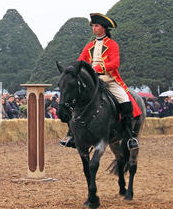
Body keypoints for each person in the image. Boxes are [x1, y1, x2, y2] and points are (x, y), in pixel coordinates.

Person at [60, 13, 142, 150]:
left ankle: (129, 137)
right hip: (93, 82)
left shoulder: (113, 45)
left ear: (103, 28)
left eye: (96, 26)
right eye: (93, 26)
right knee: (74, 101)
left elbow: (115, 63)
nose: (94, 28)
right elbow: (81, 61)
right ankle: (72, 135)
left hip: (109, 80)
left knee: (125, 101)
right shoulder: (89, 46)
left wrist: (97, 68)